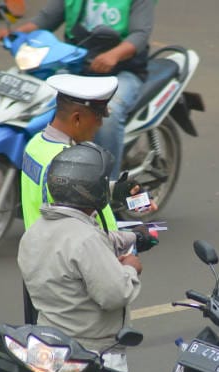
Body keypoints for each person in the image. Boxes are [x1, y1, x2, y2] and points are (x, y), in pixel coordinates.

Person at [20, 73, 158, 323]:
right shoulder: (64, 162)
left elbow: (69, 197)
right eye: (98, 119)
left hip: (43, 266)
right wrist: (133, 240)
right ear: (77, 118)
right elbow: (77, 230)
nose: (100, 127)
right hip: (72, 276)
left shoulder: (37, 145)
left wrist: (118, 191)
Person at [18, 142, 143, 372]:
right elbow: (114, 294)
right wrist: (131, 267)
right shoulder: (85, 239)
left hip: (50, 351)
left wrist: (131, 238)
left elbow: (79, 246)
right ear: (90, 191)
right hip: (92, 362)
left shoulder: (35, 233)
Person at [0, 0, 155, 180]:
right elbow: (46, 19)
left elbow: (140, 34)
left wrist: (113, 55)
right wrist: (14, 34)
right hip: (76, 64)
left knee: (108, 115)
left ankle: (109, 187)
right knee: (39, 101)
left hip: (122, 71)